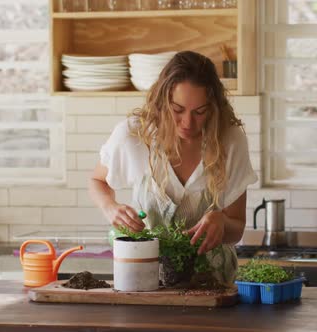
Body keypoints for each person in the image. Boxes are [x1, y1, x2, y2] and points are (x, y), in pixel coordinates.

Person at [88, 50, 257, 285]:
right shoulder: (136, 135)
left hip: (213, 286)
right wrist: (110, 207)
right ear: (162, 101)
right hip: (144, 283)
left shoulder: (229, 140)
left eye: (200, 112)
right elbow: (98, 181)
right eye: (177, 110)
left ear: (214, 107)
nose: (188, 123)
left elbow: (236, 227)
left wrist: (221, 222)